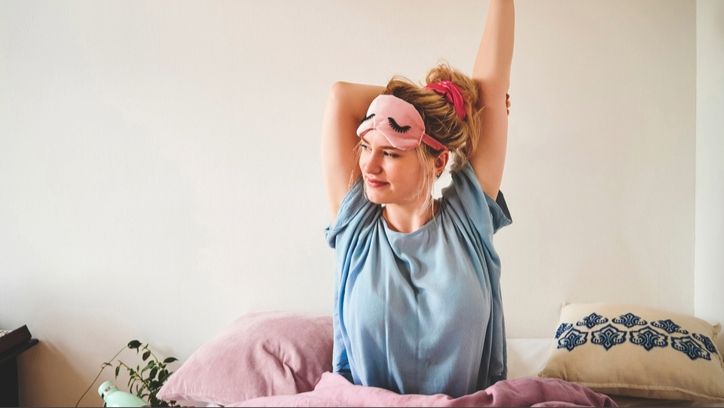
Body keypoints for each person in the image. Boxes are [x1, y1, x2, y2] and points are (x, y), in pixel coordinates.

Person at [321, 0, 515, 397]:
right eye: (366, 146)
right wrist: (443, 108)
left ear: (439, 160)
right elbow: (340, 97)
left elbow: (492, 88)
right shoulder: (357, 225)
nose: (370, 166)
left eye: (391, 152)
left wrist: (466, 108)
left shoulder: (468, 219)